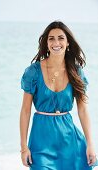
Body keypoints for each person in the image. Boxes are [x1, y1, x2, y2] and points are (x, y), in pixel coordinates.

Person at [19, 21, 98, 170]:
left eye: (61, 38)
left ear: (68, 43)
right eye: (51, 38)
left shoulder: (76, 71)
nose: (56, 42)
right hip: (41, 141)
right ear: (46, 43)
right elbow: (25, 111)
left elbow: (83, 110)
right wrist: (24, 147)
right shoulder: (33, 72)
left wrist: (90, 144)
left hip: (70, 141)